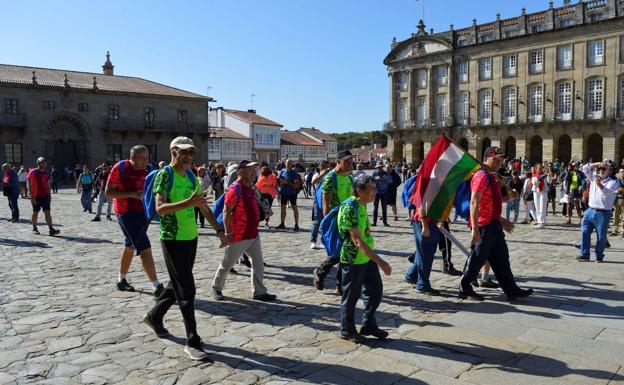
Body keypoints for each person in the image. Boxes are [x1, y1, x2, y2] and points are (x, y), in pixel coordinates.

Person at [145, 136, 228, 361]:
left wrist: (219, 230)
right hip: (172, 239)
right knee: (186, 289)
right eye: (184, 152)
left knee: (177, 283)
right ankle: (192, 340)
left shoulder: (191, 175)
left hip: (190, 237)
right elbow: (160, 208)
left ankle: (154, 316)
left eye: (191, 152)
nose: (189, 156)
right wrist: (187, 203)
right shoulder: (165, 175)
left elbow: (202, 206)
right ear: (173, 152)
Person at [459, 146, 533, 301]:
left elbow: (491, 202)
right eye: (496, 159)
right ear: (486, 158)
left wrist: (508, 201)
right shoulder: (481, 176)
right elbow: (474, 202)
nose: (499, 162)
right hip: (484, 225)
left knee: (501, 258)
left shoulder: (491, 176)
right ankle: (465, 286)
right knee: (478, 257)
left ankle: (511, 290)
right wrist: (475, 229)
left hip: (493, 223)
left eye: (500, 159)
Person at [212, 160, 277, 302]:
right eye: (250, 169)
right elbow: (226, 210)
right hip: (238, 235)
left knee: (258, 263)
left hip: (253, 234)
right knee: (227, 263)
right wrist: (228, 233)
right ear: (241, 171)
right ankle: (216, 287)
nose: (254, 171)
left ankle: (259, 292)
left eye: (255, 169)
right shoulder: (235, 188)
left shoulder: (251, 187)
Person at [338, 175, 392, 342]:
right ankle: (347, 330)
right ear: (359, 191)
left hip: (366, 258)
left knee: (375, 291)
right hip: (354, 259)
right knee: (351, 297)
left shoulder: (361, 204)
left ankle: (369, 324)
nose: (375, 192)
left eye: (375, 188)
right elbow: (358, 242)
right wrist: (381, 262)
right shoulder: (349, 208)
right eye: (372, 189)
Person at [106, 145, 163, 297]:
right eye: (142, 159)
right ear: (132, 159)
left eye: (147, 158)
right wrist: (131, 193)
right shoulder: (120, 168)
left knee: (130, 245)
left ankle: (121, 280)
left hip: (142, 212)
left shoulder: (149, 169)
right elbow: (108, 192)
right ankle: (157, 287)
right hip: (125, 212)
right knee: (145, 248)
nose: (147, 161)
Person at [312, 150, 354, 293]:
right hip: (335, 220)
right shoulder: (331, 178)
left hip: (348, 220)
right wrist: (327, 223)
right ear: (338, 161)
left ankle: (339, 284)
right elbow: (325, 203)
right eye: (347, 161)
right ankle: (320, 272)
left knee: (346, 251)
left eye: (351, 161)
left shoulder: (350, 178)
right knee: (338, 252)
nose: (350, 164)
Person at [577, 161, 620, 262]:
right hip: (590, 210)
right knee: (584, 232)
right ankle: (584, 255)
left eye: (604, 169)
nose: (601, 171)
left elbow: (607, 192)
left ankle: (599, 256)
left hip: (603, 213)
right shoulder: (594, 177)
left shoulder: (613, 181)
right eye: (599, 169)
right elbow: (584, 168)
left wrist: (599, 184)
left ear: (609, 171)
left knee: (601, 236)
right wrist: (596, 164)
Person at [28, 157, 60, 236]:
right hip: (36, 196)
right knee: (35, 212)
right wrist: (32, 197)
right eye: (42, 162)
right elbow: (30, 185)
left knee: (47, 212)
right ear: (38, 163)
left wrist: (49, 195)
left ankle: (51, 229)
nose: (44, 163)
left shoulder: (46, 172)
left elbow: (48, 184)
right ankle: (34, 228)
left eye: (45, 162)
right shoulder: (33, 172)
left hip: (45, 195)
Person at [309, 160, 331, 249]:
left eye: (326, 165)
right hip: (318, 201)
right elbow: (313, 182)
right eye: (323, 165)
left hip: (327, 201)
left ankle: (323, 241)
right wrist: (323, 174)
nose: (325, 167)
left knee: (325, 222)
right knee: (316, 222)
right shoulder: (317, 174)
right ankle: (313, 241)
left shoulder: (330, 175)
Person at [277, 159, 300, 231]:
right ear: (285, 164)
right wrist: (281, 182)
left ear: (292, 164)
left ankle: (296, 224)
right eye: (287, 163)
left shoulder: (294, 173)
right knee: (283, 209)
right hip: (284, 192)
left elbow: (296, 185)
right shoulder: (282, 171)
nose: (288, 164)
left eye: (290, 163)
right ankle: (282, 223)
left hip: (292, 193)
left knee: (294, 208)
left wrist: (287, 183)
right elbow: (279, 180)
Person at [531, 163, 551, 228]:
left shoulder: (545, 175)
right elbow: (534, 183)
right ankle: (539, 221)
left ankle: (542, 222)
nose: (539, 169)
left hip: (543, 192)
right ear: (536, 169)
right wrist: (540, 177)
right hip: (536, 192)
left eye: (540, 168)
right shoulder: (534, 176)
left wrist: (549, 176)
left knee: (543, 207)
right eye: (538, 168)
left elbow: (549, 181)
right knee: (537, 207)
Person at [372, 162, 390, 226]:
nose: (379, 168)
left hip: (384, 192)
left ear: (382, 167)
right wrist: (375, 179)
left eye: (380, 167)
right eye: (378, 167)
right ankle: (374, 222)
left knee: (384, 208)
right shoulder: (374, 173)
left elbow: (390, 181)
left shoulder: (385, 173)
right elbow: (370, 182)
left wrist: (386, 178)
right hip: (376, 193)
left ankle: (385, 222)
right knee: (375, 208)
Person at [610, 168, 624, 236]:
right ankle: (614, 230)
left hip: (623, 199)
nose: (622, 173)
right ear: (619, 173)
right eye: (621, 172)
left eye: (623, 172)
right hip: (616, 199)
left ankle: (622, 231)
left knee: (623, 216)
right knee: (615, 216)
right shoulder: (616, 180)